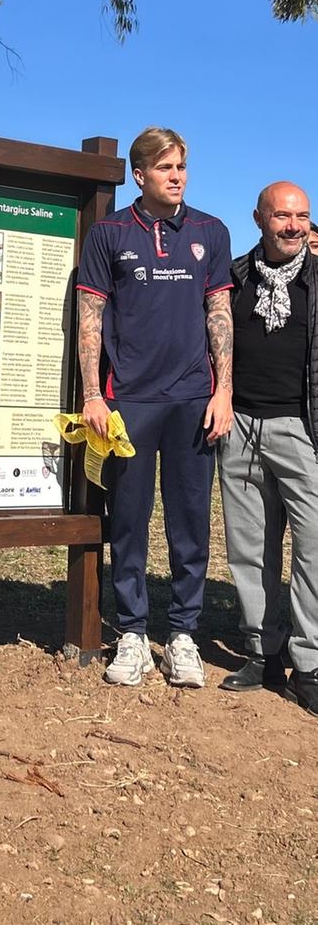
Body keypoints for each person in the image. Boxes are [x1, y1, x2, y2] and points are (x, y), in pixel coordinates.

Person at [77, 126, 233, 688]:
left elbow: (220, 314)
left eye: (182, 168)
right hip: (129, 402)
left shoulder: (210, 232)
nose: (176, 178)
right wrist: (94, 394)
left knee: (190, 523)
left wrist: (224, 390)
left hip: (194, 398)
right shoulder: (110, 232)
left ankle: (185, 633)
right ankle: (134, 634)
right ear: (139, 175)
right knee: (129, 521)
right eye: (165, 169)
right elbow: (90, 319)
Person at [217, 182, 318, 715]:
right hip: (239, 428)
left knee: (314, 549)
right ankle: (263, 650)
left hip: (304, 431)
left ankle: (310, 662)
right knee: (250, 548)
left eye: (303, 216)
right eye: (283, 216)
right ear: (259, 218)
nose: (294, 226)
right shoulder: (231, 278)